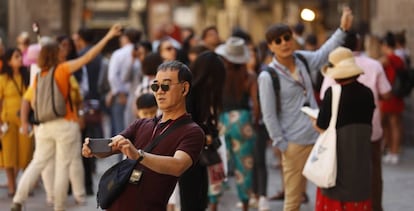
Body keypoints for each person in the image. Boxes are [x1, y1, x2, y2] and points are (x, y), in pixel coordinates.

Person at [11, 23, 122, 211]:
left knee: (37, 163)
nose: (64, 51)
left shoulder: (39, 76)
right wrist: (108, 36)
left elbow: (30, 101)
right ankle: (59, 205)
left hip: (45, 126)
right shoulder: (62, 70)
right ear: (56, 54)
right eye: (60, 50)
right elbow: (88, 56)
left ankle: (18, 200)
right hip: (65, 124)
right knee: (63, 165)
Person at [257, 7, 353, 211]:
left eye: (286, 38)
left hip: (318, 137)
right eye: (278, 41)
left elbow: (323, 53)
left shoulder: (301, 59)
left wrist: (342, 30)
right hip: (293, 143)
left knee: (328, 192)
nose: (284, 43)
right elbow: (268, 115)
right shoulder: (268, 76)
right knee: (293, 199)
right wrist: (282, 144)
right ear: (271, 46)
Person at [82, 60, 205, 211]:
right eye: (155, 86)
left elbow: (177, 165)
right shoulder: (141, 124)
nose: (159, 91)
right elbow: (112, 146)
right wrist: (93, 147)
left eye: (166, 85)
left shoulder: (192, 131)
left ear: (184, 88)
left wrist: (139, 155)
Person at [320, 31, 392, 211]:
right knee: (372, 171)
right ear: (358, 44)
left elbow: (324, 101)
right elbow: (387, 94)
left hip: (339, 138)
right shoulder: (374, 68)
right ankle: (374, 207)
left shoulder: (333, 85)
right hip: (370, 132)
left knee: (340, 174)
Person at [314, 46, 375, 211]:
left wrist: (314, 121)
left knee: (336, 197)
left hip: (338, 163)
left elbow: (321, 126)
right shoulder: (368, 93)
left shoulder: (332, 93)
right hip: (360, 161)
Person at [215, 37, 260, 211]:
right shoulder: (249, 77)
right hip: (243, 119)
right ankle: (245, 205)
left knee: (218, 164)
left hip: (222, 120)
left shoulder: (219, 77)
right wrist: (254, 122)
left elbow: (214, 101)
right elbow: (256, 104)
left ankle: (213, 204)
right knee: (245, 166)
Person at [179, 51, 226, 211]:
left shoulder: (200, 93)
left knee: (199, 199)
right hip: (187, 154)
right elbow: (186, 124)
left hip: (198, 155)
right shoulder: (189, 93)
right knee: (192, 200)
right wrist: (205, 135)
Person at [0, 48, 33, 197]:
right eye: (16, 57)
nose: (20, 59)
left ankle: (24, 185)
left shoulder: (27, 77)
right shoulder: (2, 79)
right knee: (8, 155)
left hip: (24, 121)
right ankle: (12, 186)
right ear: (8, 61)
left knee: (25, 154)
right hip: (7, 121)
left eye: (20, 56)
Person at [379, 32, 405, 165]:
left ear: (385, 45)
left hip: (389, 94)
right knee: (393, 124)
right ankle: (393, 150)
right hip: (396, 94)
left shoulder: (388, 59)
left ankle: (393, 151)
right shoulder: (400, 58)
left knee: (391, 124)